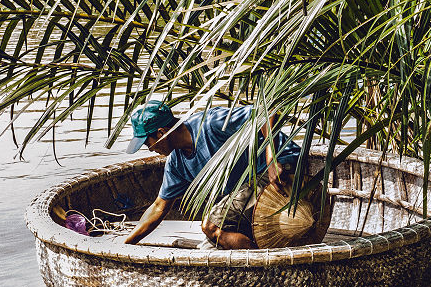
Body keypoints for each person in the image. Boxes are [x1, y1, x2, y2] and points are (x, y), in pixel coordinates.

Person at [123, 100, 300, 248]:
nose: (150, 150)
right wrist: (127, 243)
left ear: (161, 133)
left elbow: (265, 112)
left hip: (284, 166)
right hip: (250, 189)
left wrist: (271, 159)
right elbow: (158, 207)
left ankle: (267, 268)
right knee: (216, 236)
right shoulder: (176, 164)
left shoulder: (210, 123)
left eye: (148, 144)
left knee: (211, 225)